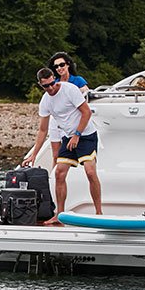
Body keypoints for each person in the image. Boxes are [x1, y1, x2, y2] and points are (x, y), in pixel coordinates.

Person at [22, 67, 102, 218]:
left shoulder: (69, 90)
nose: (51, 88)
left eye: (53, 83)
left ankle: (99, 212)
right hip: (68, 137)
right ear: (41, 85)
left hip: (86, 134)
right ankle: (59, 214)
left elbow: (86, 112)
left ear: (55, 78)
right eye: (46, 86)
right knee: (59, 173)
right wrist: (34, 155)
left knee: (90, 172)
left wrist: (77, 134)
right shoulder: (45, 102)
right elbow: (42, 130)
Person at [48, 52, 88, 161]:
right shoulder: (54, 83)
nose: (59, 68)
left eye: (62, 65)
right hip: (57, 119)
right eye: (56, 66)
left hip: (72, 119)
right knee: (56, 155)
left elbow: (86, 92)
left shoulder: (77, 80)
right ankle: (54, 176)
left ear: (68, 65)